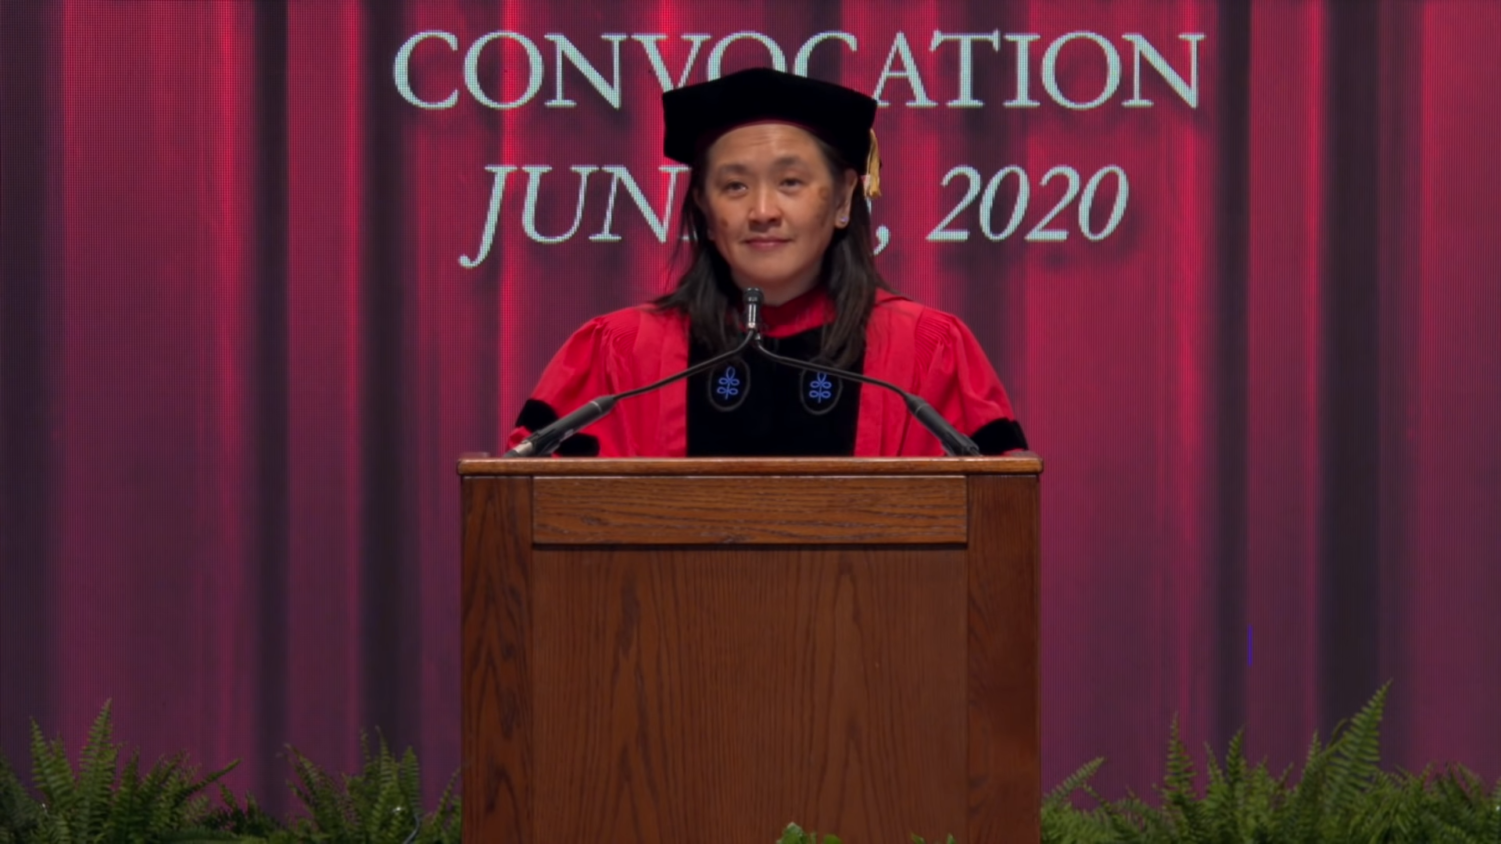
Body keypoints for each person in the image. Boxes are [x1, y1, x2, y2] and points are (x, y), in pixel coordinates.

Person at [505, 67, 1028, 457]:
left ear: (845, 199)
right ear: (705, 211)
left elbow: (991, 520)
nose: (762, 212)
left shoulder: (926, 353)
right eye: (734, 186)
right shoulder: (621, 356)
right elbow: (534, 517)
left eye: (790, 182)